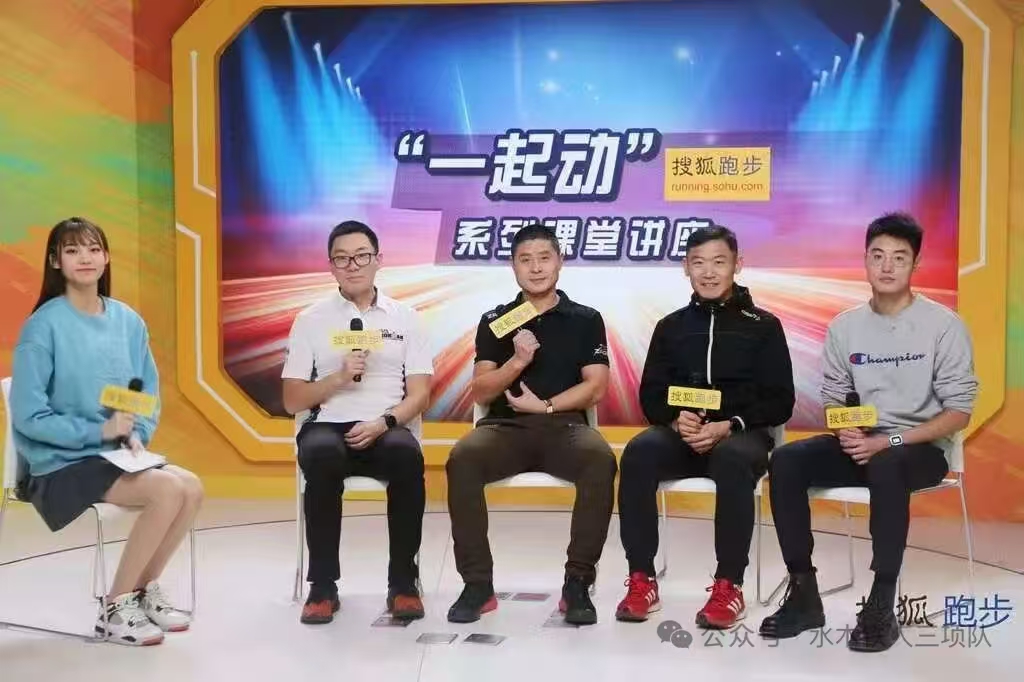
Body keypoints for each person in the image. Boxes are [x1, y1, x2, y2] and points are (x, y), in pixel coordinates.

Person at [760, 213, 978, 653]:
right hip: (864, 445)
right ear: (865, 260)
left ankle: (881, 604)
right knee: (785, 460)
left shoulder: (943, 325)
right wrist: (847, 429)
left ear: (915, 264)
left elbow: (959, 412)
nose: (887, 266)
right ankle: (803, 593)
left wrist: (886, 441)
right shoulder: (846, 326)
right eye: (877, 256)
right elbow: (834, 398)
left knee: (889, 463)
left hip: (917, 449)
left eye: (899, 257)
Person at [9, 217, 203, 647]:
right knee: (166, 490)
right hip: (58, 464)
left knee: (191, 486)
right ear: (55, 261)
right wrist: (100, 431)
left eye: (93, 248)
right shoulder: (43, 326)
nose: (85, 258)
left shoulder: (127, 321)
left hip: (112, 455)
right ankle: (114, 608)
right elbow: (28, 416)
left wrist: (136, 434)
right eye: (72, 250)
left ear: (106, 257)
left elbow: (144, 394)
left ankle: (140, 592)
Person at [615, 225, 794, 629]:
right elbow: (651, 395)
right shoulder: (671, 326)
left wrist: (730, 424)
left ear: (737, 265)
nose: (709, 272)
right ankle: (642, 580)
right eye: (698, 263)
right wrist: (674, 418)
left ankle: (729, 586)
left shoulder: (763, 325)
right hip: (682, 435)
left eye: (719, 262)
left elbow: (780, 399)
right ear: (686, 268)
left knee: (731, 458)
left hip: (739, 436)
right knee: (639, 452)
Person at [445, 223, 616, 626]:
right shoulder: (497, 320)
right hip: (503, 429)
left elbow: (596, 387)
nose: (536, 268)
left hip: (565, 427)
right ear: (513, 266)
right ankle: (477, 585)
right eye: (525, 260)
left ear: (560, 261)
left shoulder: (586, 319)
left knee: (600, 459)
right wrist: (517, 362)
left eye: (544, 258)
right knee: (462, 459)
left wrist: (547, 407)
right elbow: (481, 391)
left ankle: (577, 583)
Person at [282, 220, 433, 625]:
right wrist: (338, 378)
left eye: (361, 256)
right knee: (321, 455)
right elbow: (292, 398)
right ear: (331, 266)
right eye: (342, 258)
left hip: (386, 424)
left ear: (378, 260)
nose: (352, 266)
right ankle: (323, 586)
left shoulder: (407, 318)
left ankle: (403, 583)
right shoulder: (311, 319)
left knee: (406, 456)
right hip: (328, 424)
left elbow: (420, 394)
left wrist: (384, 422)